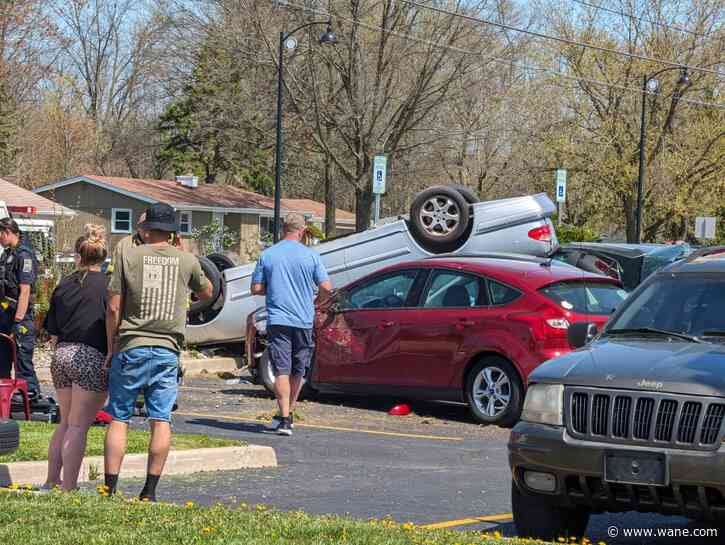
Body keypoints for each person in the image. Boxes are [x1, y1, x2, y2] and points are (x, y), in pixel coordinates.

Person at [104, 203, 212, 501]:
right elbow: (208, 292)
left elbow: (113, 306)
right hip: (167, 350)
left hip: (131, 345)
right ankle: (149, 491)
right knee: (160, 418)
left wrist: (112, 346)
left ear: (146, 229)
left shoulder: (128, 254)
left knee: (119, 417)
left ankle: (110, 489)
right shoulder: (187, 260)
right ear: (174, 232)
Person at [251, 213, 332, 436]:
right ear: (303, 231)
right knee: (298, 369)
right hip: (304, 320)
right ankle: (288, 414)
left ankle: (285, 417)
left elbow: (256, 288)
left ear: (283, 230)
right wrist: (317, 302)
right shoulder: (311, 256)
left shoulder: (268, 255)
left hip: (278, 319)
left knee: (281, 370)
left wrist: (275, 289)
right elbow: (327, 287)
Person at [43, 225, 110, 490]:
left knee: (65, 421)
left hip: (62, 354)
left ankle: (52, 479)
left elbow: (52, 330)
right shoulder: (108, 287)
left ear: (78, 255)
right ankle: (69, 486)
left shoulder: (64, 285)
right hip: (90, 354)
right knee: (79, 426)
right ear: (103, 257)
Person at [0, 217, 41, 401]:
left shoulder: (24, 256)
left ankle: (29, 394)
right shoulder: (7, 254)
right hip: (4, 313)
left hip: (19, 316)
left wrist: (17, 321)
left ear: (6, 232)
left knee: (22, 356)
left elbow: (25, 291)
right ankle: (4, 391)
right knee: (3, 355)